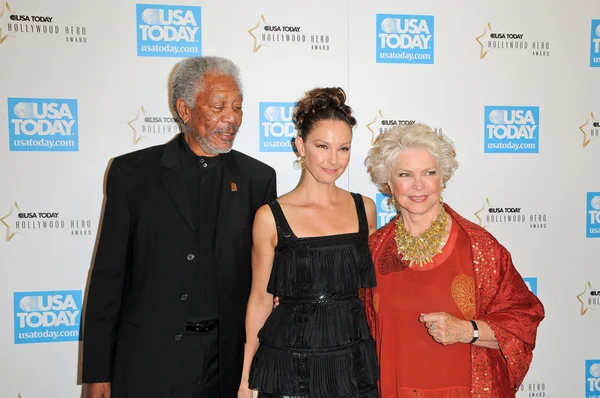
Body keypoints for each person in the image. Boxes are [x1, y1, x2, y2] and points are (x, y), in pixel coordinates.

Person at [82, 56, 277, 398]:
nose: (231, 118)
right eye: (218, 106)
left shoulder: (257, 180)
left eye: (237, 107)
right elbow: (107, 279)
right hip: (147, 360)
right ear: (184, 110)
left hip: (224, 363)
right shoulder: (132, 174)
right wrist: (98, 373)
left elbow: (264, 280)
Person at [361, 123, 545, 397]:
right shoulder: (374, 249)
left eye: (429, 173)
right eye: (405, 174)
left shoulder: (480, 247)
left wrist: (467, 330)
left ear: (442, 177)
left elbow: (524, 319)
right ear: (388, 182)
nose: (418, 185)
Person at [238, 87, 380, 398]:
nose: (333, 160)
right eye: (322, 146)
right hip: (290, 366)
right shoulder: (270, 216)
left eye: (343, 148)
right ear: (300, 146)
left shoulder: (365, 209)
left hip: (352, 362)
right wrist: (246, 380)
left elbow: (372, 294)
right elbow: (260, 301)